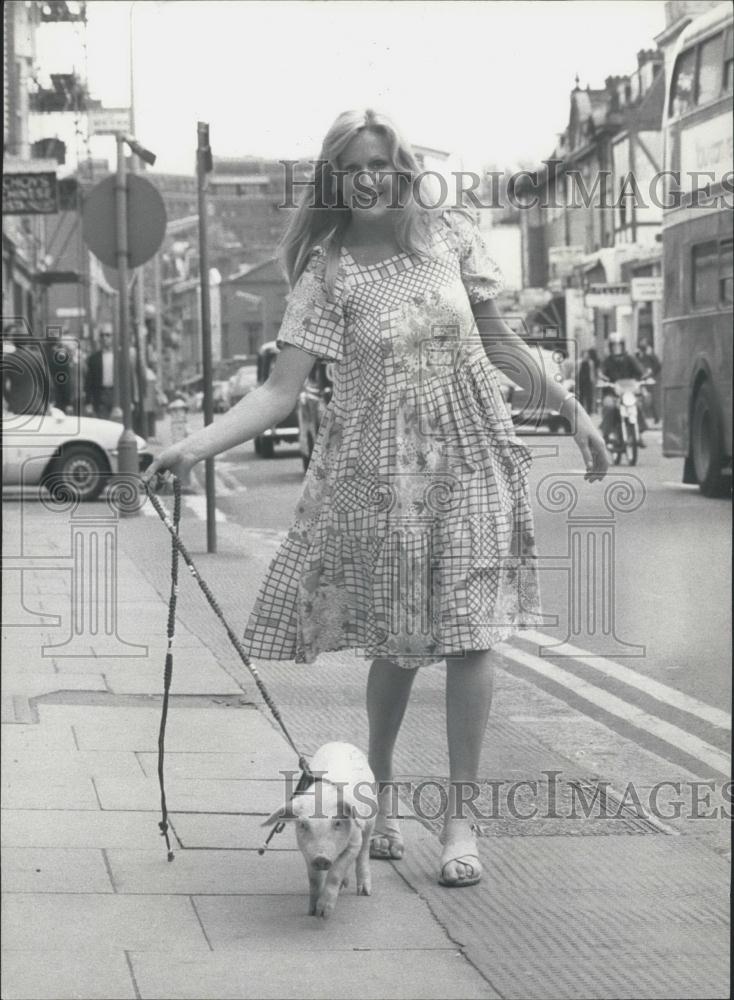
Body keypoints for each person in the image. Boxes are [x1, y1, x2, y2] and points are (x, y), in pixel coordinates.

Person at [144, 108, 609, 889]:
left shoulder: (451, 237)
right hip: (382, 474)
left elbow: (499, 345)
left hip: (471, 460)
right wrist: (193, 446)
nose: (367, 178)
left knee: (472, 638)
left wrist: (572, 408)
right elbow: (278, 391)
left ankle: (460, 821)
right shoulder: (327, 269)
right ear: (334, 176)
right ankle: (380, 796)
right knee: (398, 645)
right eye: (351, 166)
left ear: (402, 171)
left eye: (381, 165)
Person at [600, 333, 647, 445]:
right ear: (610, 347)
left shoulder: (630, 359)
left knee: (636, 405)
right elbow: (601, 373)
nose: (617, 348)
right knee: (609, 406)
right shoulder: (607, 361)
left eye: (619, 345)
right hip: (612, 393)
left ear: (623, 346)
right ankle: (607, 433)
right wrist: (602, 379)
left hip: (628, 391)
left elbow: (640, 371)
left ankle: (638, 432)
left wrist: (643, 378)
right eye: (614, 346)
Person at [84, 325, 116, 418]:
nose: (104, 338)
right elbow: (89, 381)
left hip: (117, 396)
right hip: (101, 396)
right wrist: (88, 402)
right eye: (102, 335)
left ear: (113, 337)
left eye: (108, 335)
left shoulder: (120, 357)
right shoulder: (93, 359)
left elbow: (127, 380)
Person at [636, 339, 662, 424]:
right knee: (640, 398)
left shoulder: (650, 356)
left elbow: (657, 366)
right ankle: (643, 418)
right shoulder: (638, 356)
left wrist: (652, 373)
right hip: (641, 379)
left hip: (649, 380)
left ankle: (655, 417)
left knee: (649, 399)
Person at [578, 349, 597, 415]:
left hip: (588, 381)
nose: (586, 356)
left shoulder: (591, 362)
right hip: (581, 380)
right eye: (585, 354)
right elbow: (577, 371)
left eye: (587, 354)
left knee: (589, 396)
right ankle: (581, 410)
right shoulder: (579, 362)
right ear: (583, 355)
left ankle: (589, 411)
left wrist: (593, 380)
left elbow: (591, 372)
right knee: (581, 396)